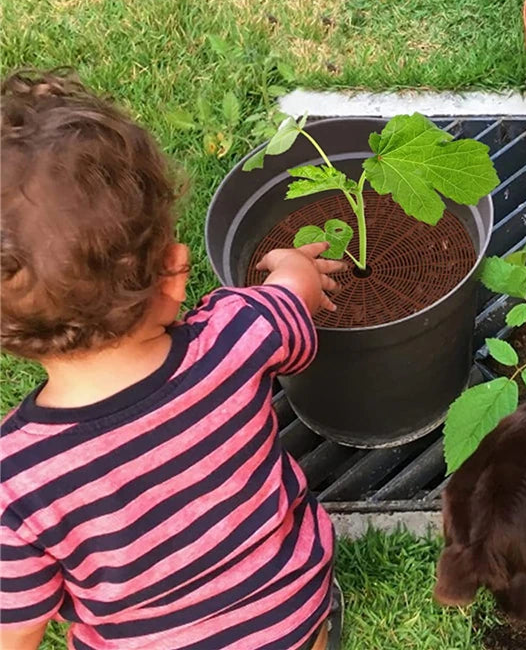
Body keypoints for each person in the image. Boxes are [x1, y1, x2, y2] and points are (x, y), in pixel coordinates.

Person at [0, 70, 343, 650]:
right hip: (290, 618)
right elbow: (293, 300)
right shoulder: (237, 335)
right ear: (176, 270)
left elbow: (17, 629)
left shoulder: (16, 479)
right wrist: (294, 268)